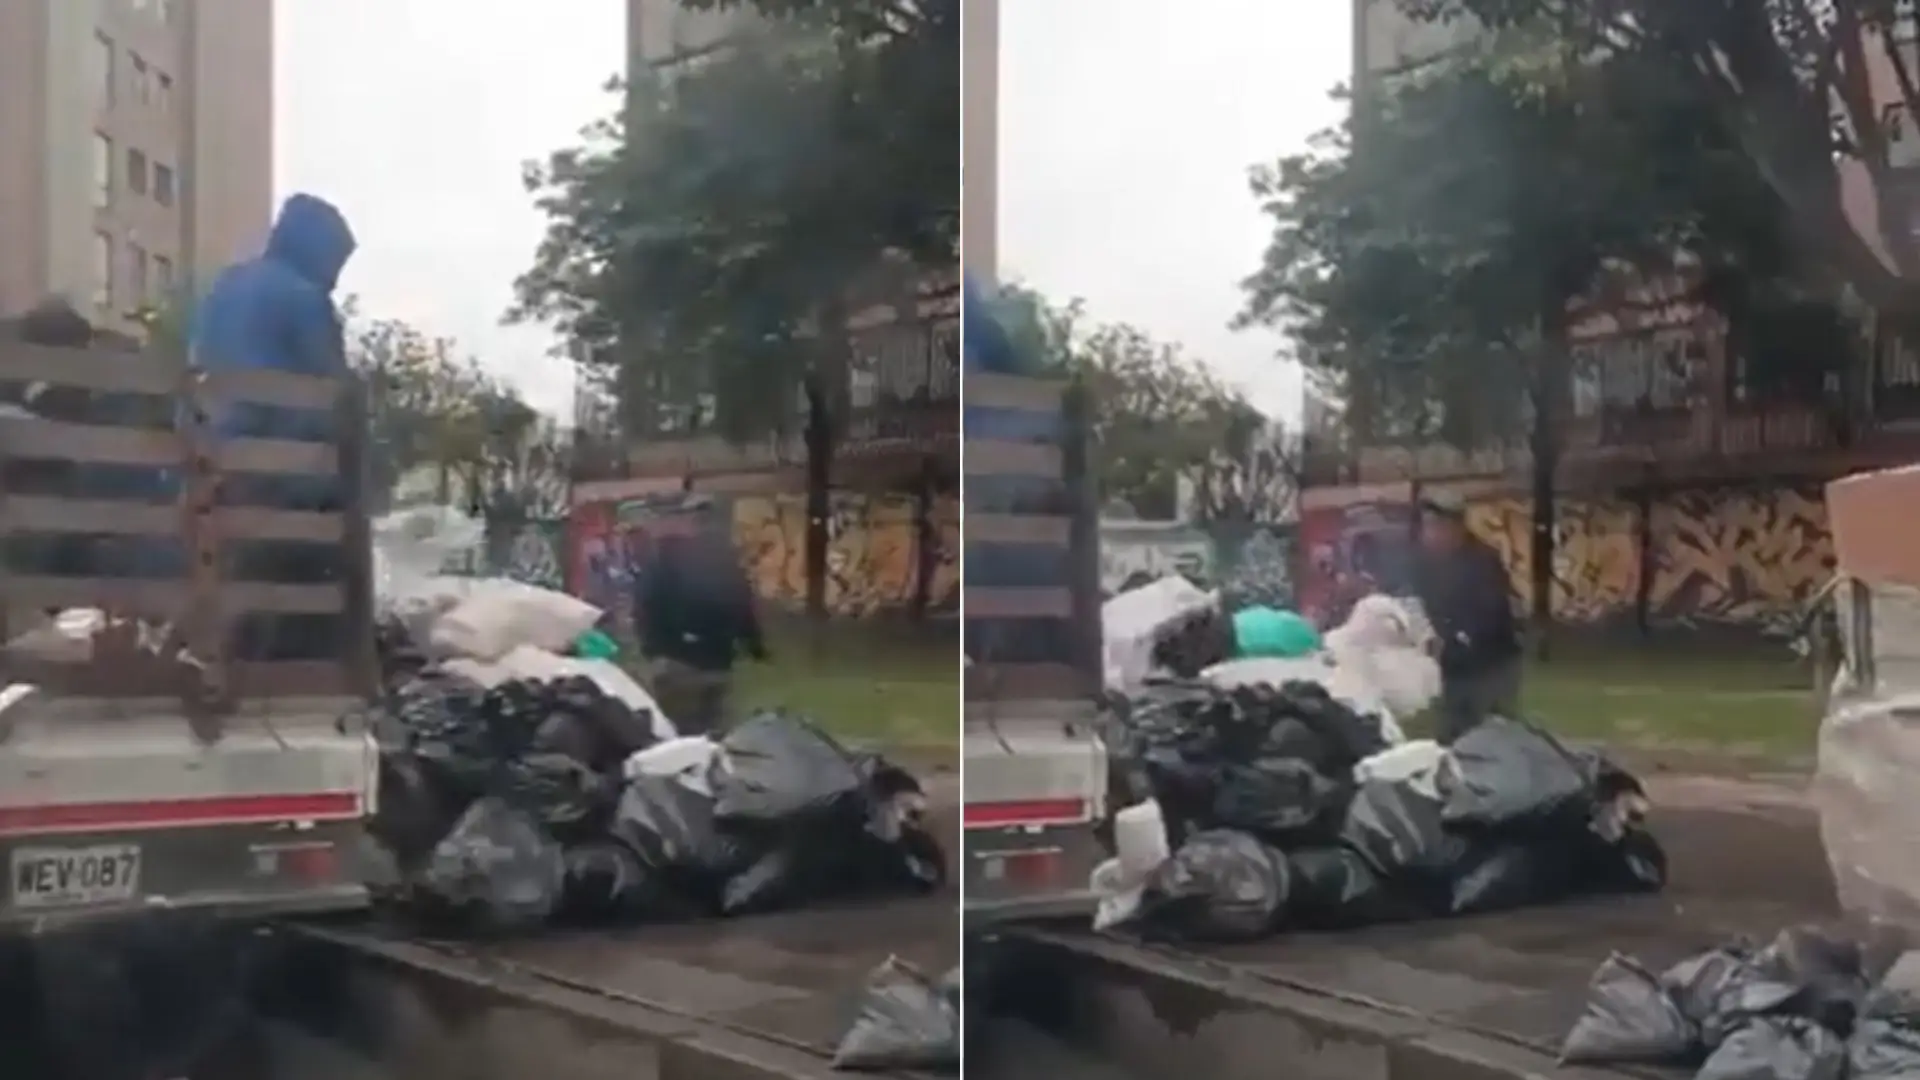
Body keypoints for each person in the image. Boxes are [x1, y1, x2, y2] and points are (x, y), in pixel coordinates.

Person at [633, 521, 767, 735]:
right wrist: (755, 647)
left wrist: (650, 648)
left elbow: (644, 605)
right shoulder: (726, 566)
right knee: (718, 735)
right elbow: (744, 607)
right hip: (719, 661)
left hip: (674, 662)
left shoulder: (662, 563)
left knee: (678, 736)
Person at [1412, 489, 1521, 742]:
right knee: (1451, 736)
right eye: (1427, 526)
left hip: (1492, 665)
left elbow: (1489, 616)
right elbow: (1421, 605)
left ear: (1457, 528)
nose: (1430, 534)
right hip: (1454, 667)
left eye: (1438, 527)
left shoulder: (1483, 561)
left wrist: (1455, 635)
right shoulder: (1425, 564)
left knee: (1492, 738)